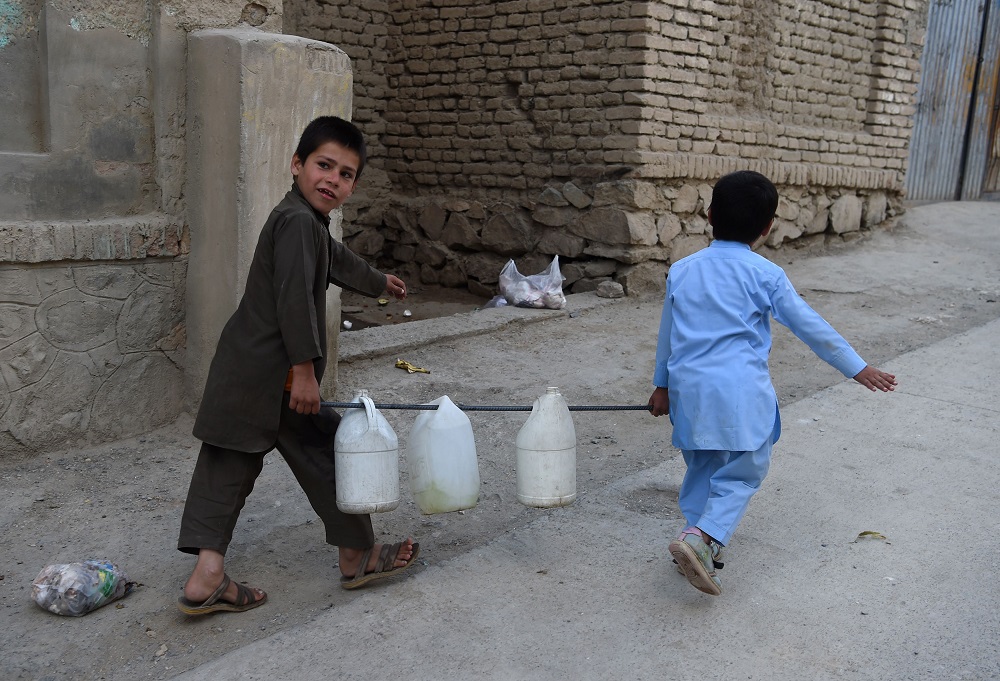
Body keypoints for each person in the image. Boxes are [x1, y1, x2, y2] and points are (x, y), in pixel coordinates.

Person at [176, 116, 419, 616]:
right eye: (323, 165)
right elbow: (294, 304)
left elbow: (335, 259)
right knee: (330, 449)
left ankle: (207, 576)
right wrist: (305, 373)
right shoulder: (296, 223)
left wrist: (378, 282)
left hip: (244, 370)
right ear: (297, 165)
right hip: (277, 375)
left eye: (346, 173)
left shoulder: (304, 221)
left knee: (226, 463)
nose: (333, 179)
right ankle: (357, 555)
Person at [648, 170, 896, 596]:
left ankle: (694, 536)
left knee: (703, 467)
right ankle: (701, 540)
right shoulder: (766, 274)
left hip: (689, 392)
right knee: (746, 469)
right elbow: (809, 326)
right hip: (740, 393)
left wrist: (661, 386)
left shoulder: (683, 269)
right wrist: (856, 367)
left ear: (709, 215)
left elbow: (668, 335)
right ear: (767, 228)